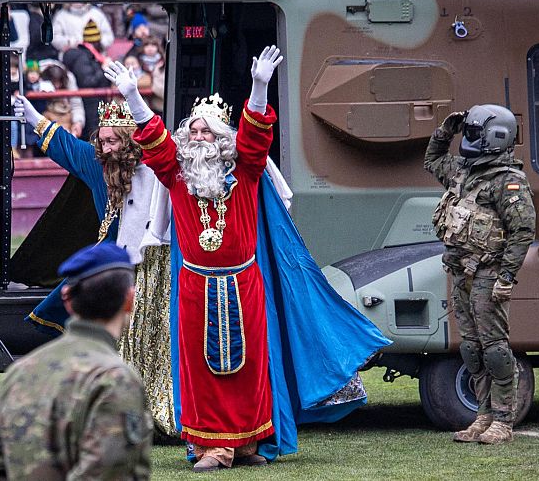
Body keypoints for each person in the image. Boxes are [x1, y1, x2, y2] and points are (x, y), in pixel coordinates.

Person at [107, 47, 391, 472]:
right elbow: (154, 139)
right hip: (195, 286)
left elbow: (256, 137)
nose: (197, 137)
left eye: (206, 131)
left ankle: (246, 442)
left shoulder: (245, 172)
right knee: (201, 369)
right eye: (192, 131)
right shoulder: (177, 174)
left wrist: (260, 87)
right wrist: (132, 95)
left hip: (243, 284)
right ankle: (213, 447)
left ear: (223, 138)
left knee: (250, 366)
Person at [13, 93, 179, 437]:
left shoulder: (155, 164)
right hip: (118, 270)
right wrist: (32, 117)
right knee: (119, 339)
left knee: (158, 337)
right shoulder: (98, 164)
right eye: (102, 140)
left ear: (129, 140)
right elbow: (67, 147)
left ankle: (163, 410)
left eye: (113, 141)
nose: (106, 148)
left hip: (157, 265)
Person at [0, 243, 153, 480]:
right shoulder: (115, 379)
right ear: (129, 300)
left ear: (66, 299)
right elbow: (107, 472)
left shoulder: (21, 371)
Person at [425, 105, 536, 445]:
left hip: (489, 273)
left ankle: (503, 420)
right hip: (461, 272)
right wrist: (445, 131)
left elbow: (522, 231)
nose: (469, 138)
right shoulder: (463, 172)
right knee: (471, 349)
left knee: (495, 349)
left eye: (474, 132)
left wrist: (506, 277)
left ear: (495, 137)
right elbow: (432, 160)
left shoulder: (508, 182)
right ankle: (483, 416)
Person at [62, 21, 113, 138]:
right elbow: (87, 81)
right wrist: (103, 69)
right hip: (90, 106)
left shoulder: (90, 56)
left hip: (95, 105)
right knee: (93, 137)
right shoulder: (82, 58)